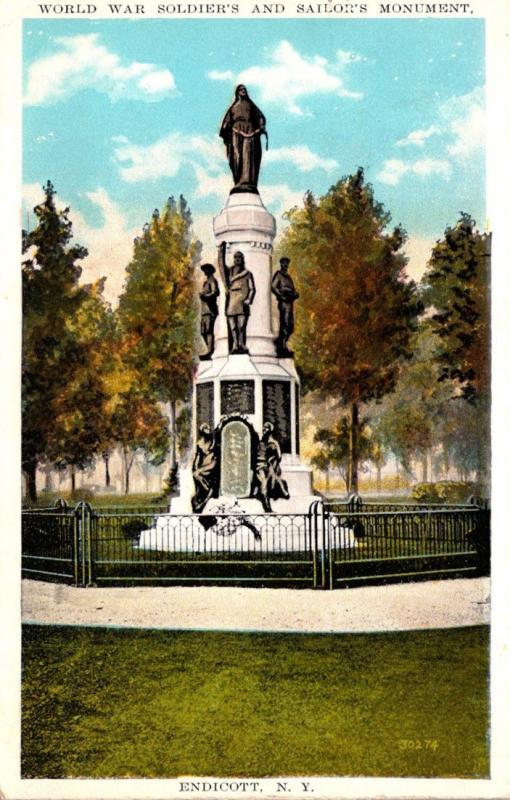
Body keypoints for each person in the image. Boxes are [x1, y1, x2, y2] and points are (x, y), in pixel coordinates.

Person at [219, 84, 267, 193]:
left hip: (249, 132)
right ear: (237, 92)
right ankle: (239, 182)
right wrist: (227, 128)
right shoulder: (233, 108)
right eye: (241, 89)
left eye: (244, 89)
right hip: (236, 134)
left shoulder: (251, 105)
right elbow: (226, 123)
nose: (243, 91)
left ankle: (248, 182)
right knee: (237, 156)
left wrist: (261, 125)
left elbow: (260, 117)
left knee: (248, 156)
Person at [218, 241, 255, 354]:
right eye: (236, 257)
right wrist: (221, 251)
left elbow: (252, 288)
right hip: (231, 303)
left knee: (241, 326)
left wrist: (249, 299)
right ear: (234, 259)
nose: (237, 259)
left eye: (239, 257)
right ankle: (234, 344)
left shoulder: (247, 274)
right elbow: (221, 266)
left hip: (242, 303)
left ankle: (241, 344)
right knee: (233, 327)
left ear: (242, 259)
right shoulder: (229, 272)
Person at [254, 422, 290, 512]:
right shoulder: (260, 442)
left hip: (268, 467)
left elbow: (279, 457)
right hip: (260, 467)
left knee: (271, 482)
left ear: (270, 430)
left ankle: (268, 504)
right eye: (263, 428)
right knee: (264, 484)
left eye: (266, 428)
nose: (263, 430)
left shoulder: (273, 443)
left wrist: (271, 460)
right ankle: (267, 507)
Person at [271, 257, 299, 357]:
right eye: (284, 263)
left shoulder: (288, 277)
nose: (286, 265)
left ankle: (281, 343)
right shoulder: (279, 275)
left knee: (290, 326)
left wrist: (294, 294)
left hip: (290, 302)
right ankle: (281, 346)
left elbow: (292, 289)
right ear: (281, 264)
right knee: (285, 323)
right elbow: (273, 287)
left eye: (287, 263)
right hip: (283, 302)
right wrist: (281, 295)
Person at [191, 424, 218, 513]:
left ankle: (207, 491)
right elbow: (196, 462)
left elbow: (213, 464)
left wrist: (200, 470)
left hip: (210, 473)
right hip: (201, 473)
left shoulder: (214, 446)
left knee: (209, 488)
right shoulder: (200, 445)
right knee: (196, 476)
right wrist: (197, 470)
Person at [199, 263, 219, 360]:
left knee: (208, 331)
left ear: (210, 270)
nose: (204, 272)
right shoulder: (206, 282)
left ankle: (209, 351)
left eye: (206, 270)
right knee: (202, 331)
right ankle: (208, 349)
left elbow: (215, 292)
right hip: (204, 311)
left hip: (210, 310)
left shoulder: (212, 280)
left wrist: (205, 296)